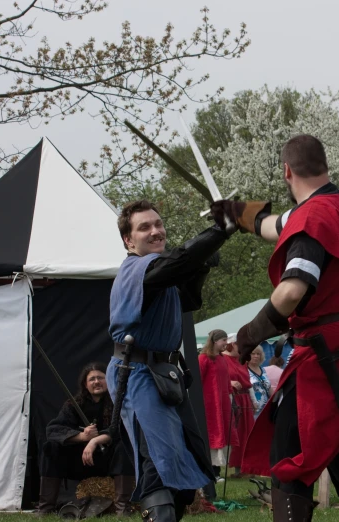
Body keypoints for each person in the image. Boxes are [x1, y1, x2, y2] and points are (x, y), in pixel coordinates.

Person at [210, 134, 339, 521]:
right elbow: (275, 224)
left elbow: (292, 289)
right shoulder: (336, 203)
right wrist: (236, 213)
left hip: (331, 358)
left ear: (286, 171)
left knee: (291, 457)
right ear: (323, 165)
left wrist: (247, 335)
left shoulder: (314, 218)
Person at [107, 199, 231, 522]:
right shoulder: (136, 270)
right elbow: (176, 263)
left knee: (184, 455)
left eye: (158, 224)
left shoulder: (160, 272)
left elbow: (186, 297)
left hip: (162, 374)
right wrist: (218, 232)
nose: (156, 231)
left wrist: (201, 265)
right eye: (145, 227)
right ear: (128, 241)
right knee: (157, 459)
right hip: (135, 373)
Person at [36, 362, 136, 516]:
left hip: (108, 461)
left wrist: (94, 441)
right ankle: (45, 508)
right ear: (85, 384)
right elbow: (53, 430)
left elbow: (119, 430)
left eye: (100, 378)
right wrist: (82, 436)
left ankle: (123, 508)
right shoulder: (73, 405)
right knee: (50, 447)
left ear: (108, 380)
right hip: (80, 461)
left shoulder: (118, 404)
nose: (96, 382)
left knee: (124, 446)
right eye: (92, 379)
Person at [198, 330, 236, 481]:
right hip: (209, 405)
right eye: (223, 340)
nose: (226, 343)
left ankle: (217, 472)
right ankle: (210, 473)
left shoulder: (222, 359)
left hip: (222, 404)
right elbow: (197, 381)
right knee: (211, 435)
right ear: (214, 341)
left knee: (221, 434)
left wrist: (230, 398)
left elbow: (226, 382)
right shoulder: (203, 358)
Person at [222, 334, 254, 479]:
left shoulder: (241, 360)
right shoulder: (222, 359)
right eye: (238, 345)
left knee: (248, 433)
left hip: (245, 399)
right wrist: (229, 384)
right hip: (233, 399)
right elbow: (215, 380)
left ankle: (248, 466)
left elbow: (248, 382)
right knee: (238, 433)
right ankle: (237, 468)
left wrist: (253, 400)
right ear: (232, 344)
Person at [247, 346, 271, 420]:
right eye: (253, 354)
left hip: (266, 409)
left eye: (258, 354)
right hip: (253, 410)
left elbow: (268, 387)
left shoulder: (263, 369)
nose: (256, 356)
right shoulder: (245, 370)